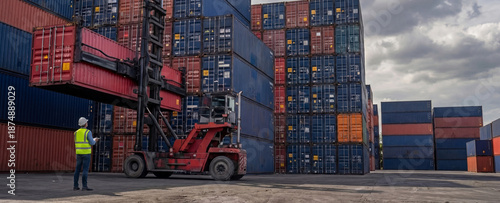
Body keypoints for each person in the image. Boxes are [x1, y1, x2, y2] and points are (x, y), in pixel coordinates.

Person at [73, 117, 99, 191]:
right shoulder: (88, 132)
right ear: (85, 124)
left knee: (77, 170)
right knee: (85, 170)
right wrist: (95, 140)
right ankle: (84, 186)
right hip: (86, 153)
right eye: (86, 122)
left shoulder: (76, 132)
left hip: (78, 153)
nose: (87, 123)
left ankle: (75, 186)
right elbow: (91, 142)